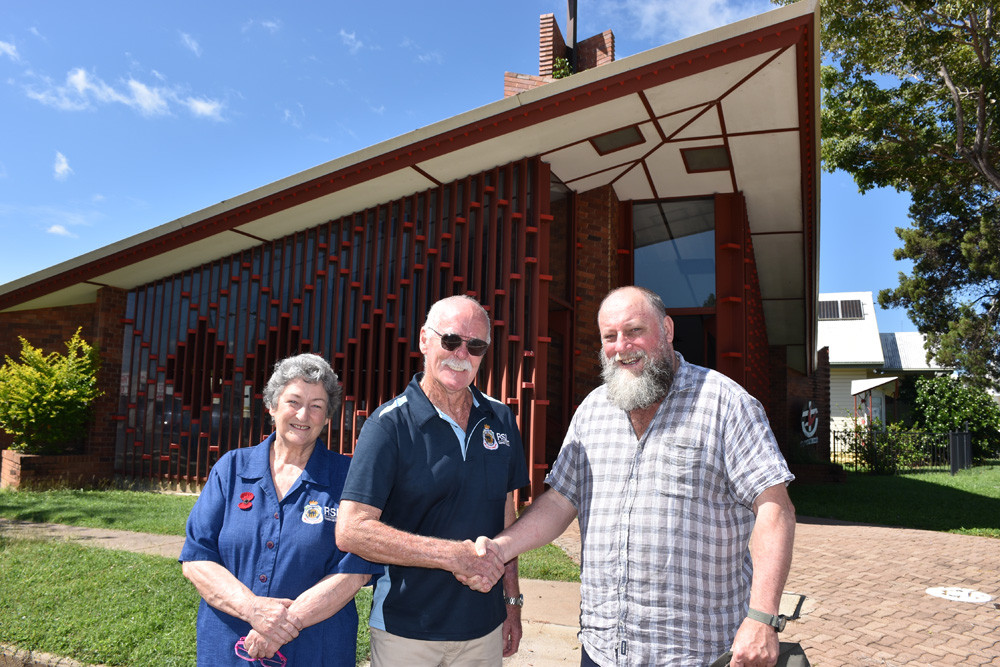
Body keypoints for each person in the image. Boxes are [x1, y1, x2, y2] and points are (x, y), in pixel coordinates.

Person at [475, 286, 797, 667]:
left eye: (634, 331)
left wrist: (762, 618)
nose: (622, 346)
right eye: (609, 337)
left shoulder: (726, 404)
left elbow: (774, 509)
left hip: (697, 652)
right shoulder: (592, 410)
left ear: (668, 329)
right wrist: (501, 547)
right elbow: (561, 502)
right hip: (602, 649)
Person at [336, 294, 530, 666]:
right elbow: (351, 530)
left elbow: (505, 516)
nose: (461, 354)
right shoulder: (388, 424)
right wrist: (451, 556)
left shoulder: (501, 420)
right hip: (408, 633)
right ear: (425, 340)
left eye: (475, 346)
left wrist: (512, 602)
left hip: (484, 630)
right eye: (451, 340)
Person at [180, 353, 382, 666]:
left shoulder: (349, 479)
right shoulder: (231, 469)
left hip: (316, 651)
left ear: (327, 417)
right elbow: (196, 558)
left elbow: (355, 570)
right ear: (272, 406)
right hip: (229, 648)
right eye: (293, 401)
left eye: (317, 405)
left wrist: (280, 626)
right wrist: (252, 609)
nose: (304, 414)